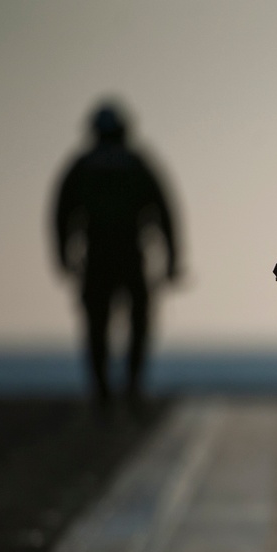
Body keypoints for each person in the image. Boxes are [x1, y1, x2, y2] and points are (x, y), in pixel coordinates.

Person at [53, 101, 179, 412]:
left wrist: (63, 254)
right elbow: (164, 213)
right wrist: (172, 258)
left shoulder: (82, 166)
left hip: (98, 256)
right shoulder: (137, 164)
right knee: (136, 323)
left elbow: (61, 214)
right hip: (127, 254)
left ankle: (104, 394)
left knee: (98, 326)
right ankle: (129, 389)